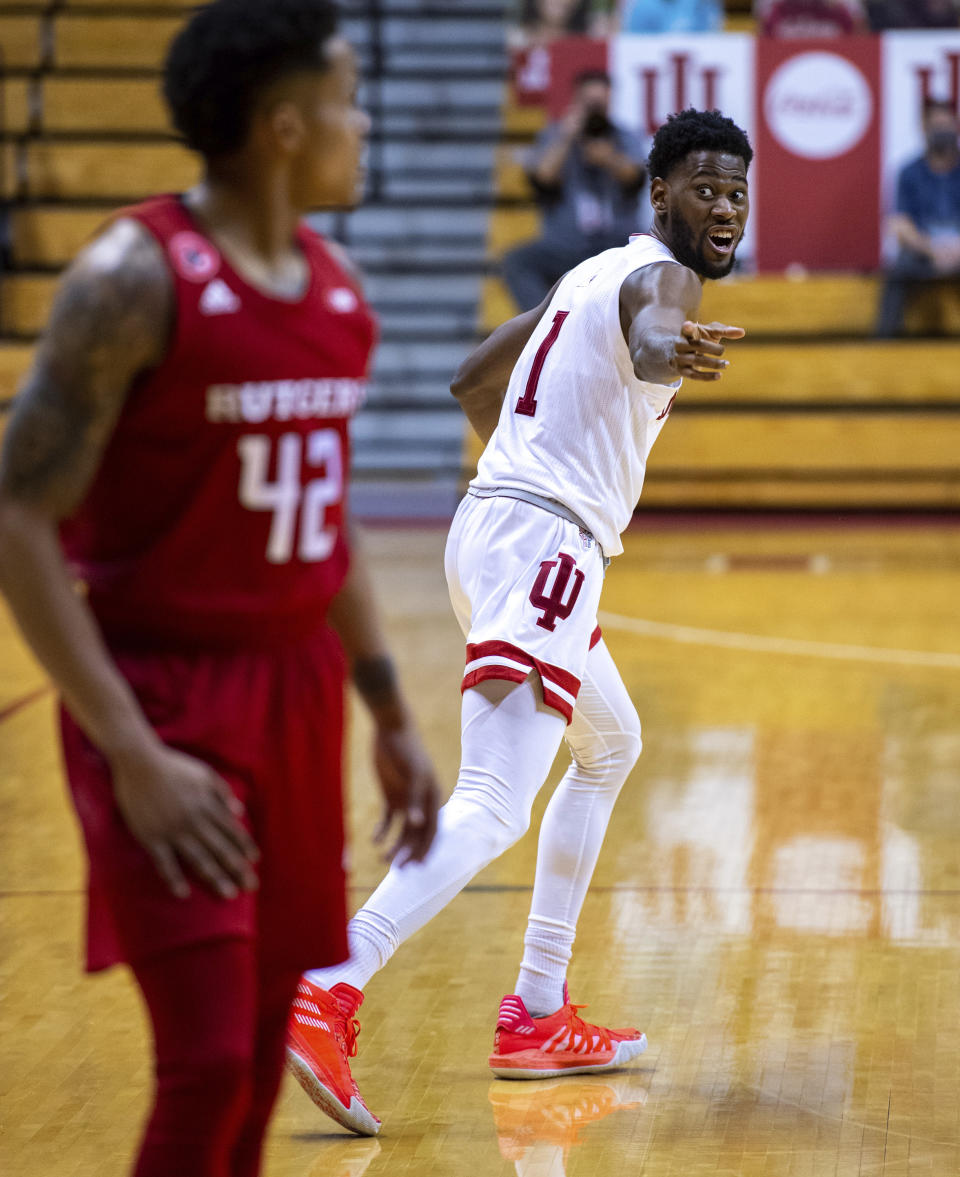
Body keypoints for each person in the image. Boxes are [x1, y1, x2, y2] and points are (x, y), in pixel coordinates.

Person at [0, 1, 439, 1174]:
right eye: (347, 102)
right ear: (284, 127)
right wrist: (130, 748)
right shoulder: (131, 278)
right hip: (159, 695)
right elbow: (17, 511)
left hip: (295, 696)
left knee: (251, 1056)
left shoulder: (337, 294)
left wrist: (389, 711)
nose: (363, 124)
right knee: (202, 1061)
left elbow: (321, 517)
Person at [287, 107, 751, 1136]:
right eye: (705, 190)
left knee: (612, 742)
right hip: (545, 549)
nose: (723, 209)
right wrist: (668, 349)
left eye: (736, 193)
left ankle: (537, 1009)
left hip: (495, 533)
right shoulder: (661, 283)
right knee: (497, 800)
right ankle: (329, 982)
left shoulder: (582, 276)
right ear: (660, 194)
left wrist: (528, 470)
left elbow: (470, 380)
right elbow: (655, 327)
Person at [501, 70, 647, 312]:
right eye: (589, 102)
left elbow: (636, 177)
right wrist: (567, 137)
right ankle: (543, 325)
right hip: (566, 246)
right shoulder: (556, 135)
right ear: (576, 101)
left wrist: (609, 158)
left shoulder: (624, 136)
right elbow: (542, 178)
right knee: (517, 261)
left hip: (617, 245)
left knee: (652, 259)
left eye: (600, 103)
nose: (594, 110)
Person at [876, 98, 960, 337]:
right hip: (925, 251)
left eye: (947, 124)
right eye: (936, 126)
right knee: (897, 269)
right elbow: (899, 224)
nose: (942, 131)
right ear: (924, 129)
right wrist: (932, 249)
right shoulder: (909, 172)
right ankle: (882, 344)